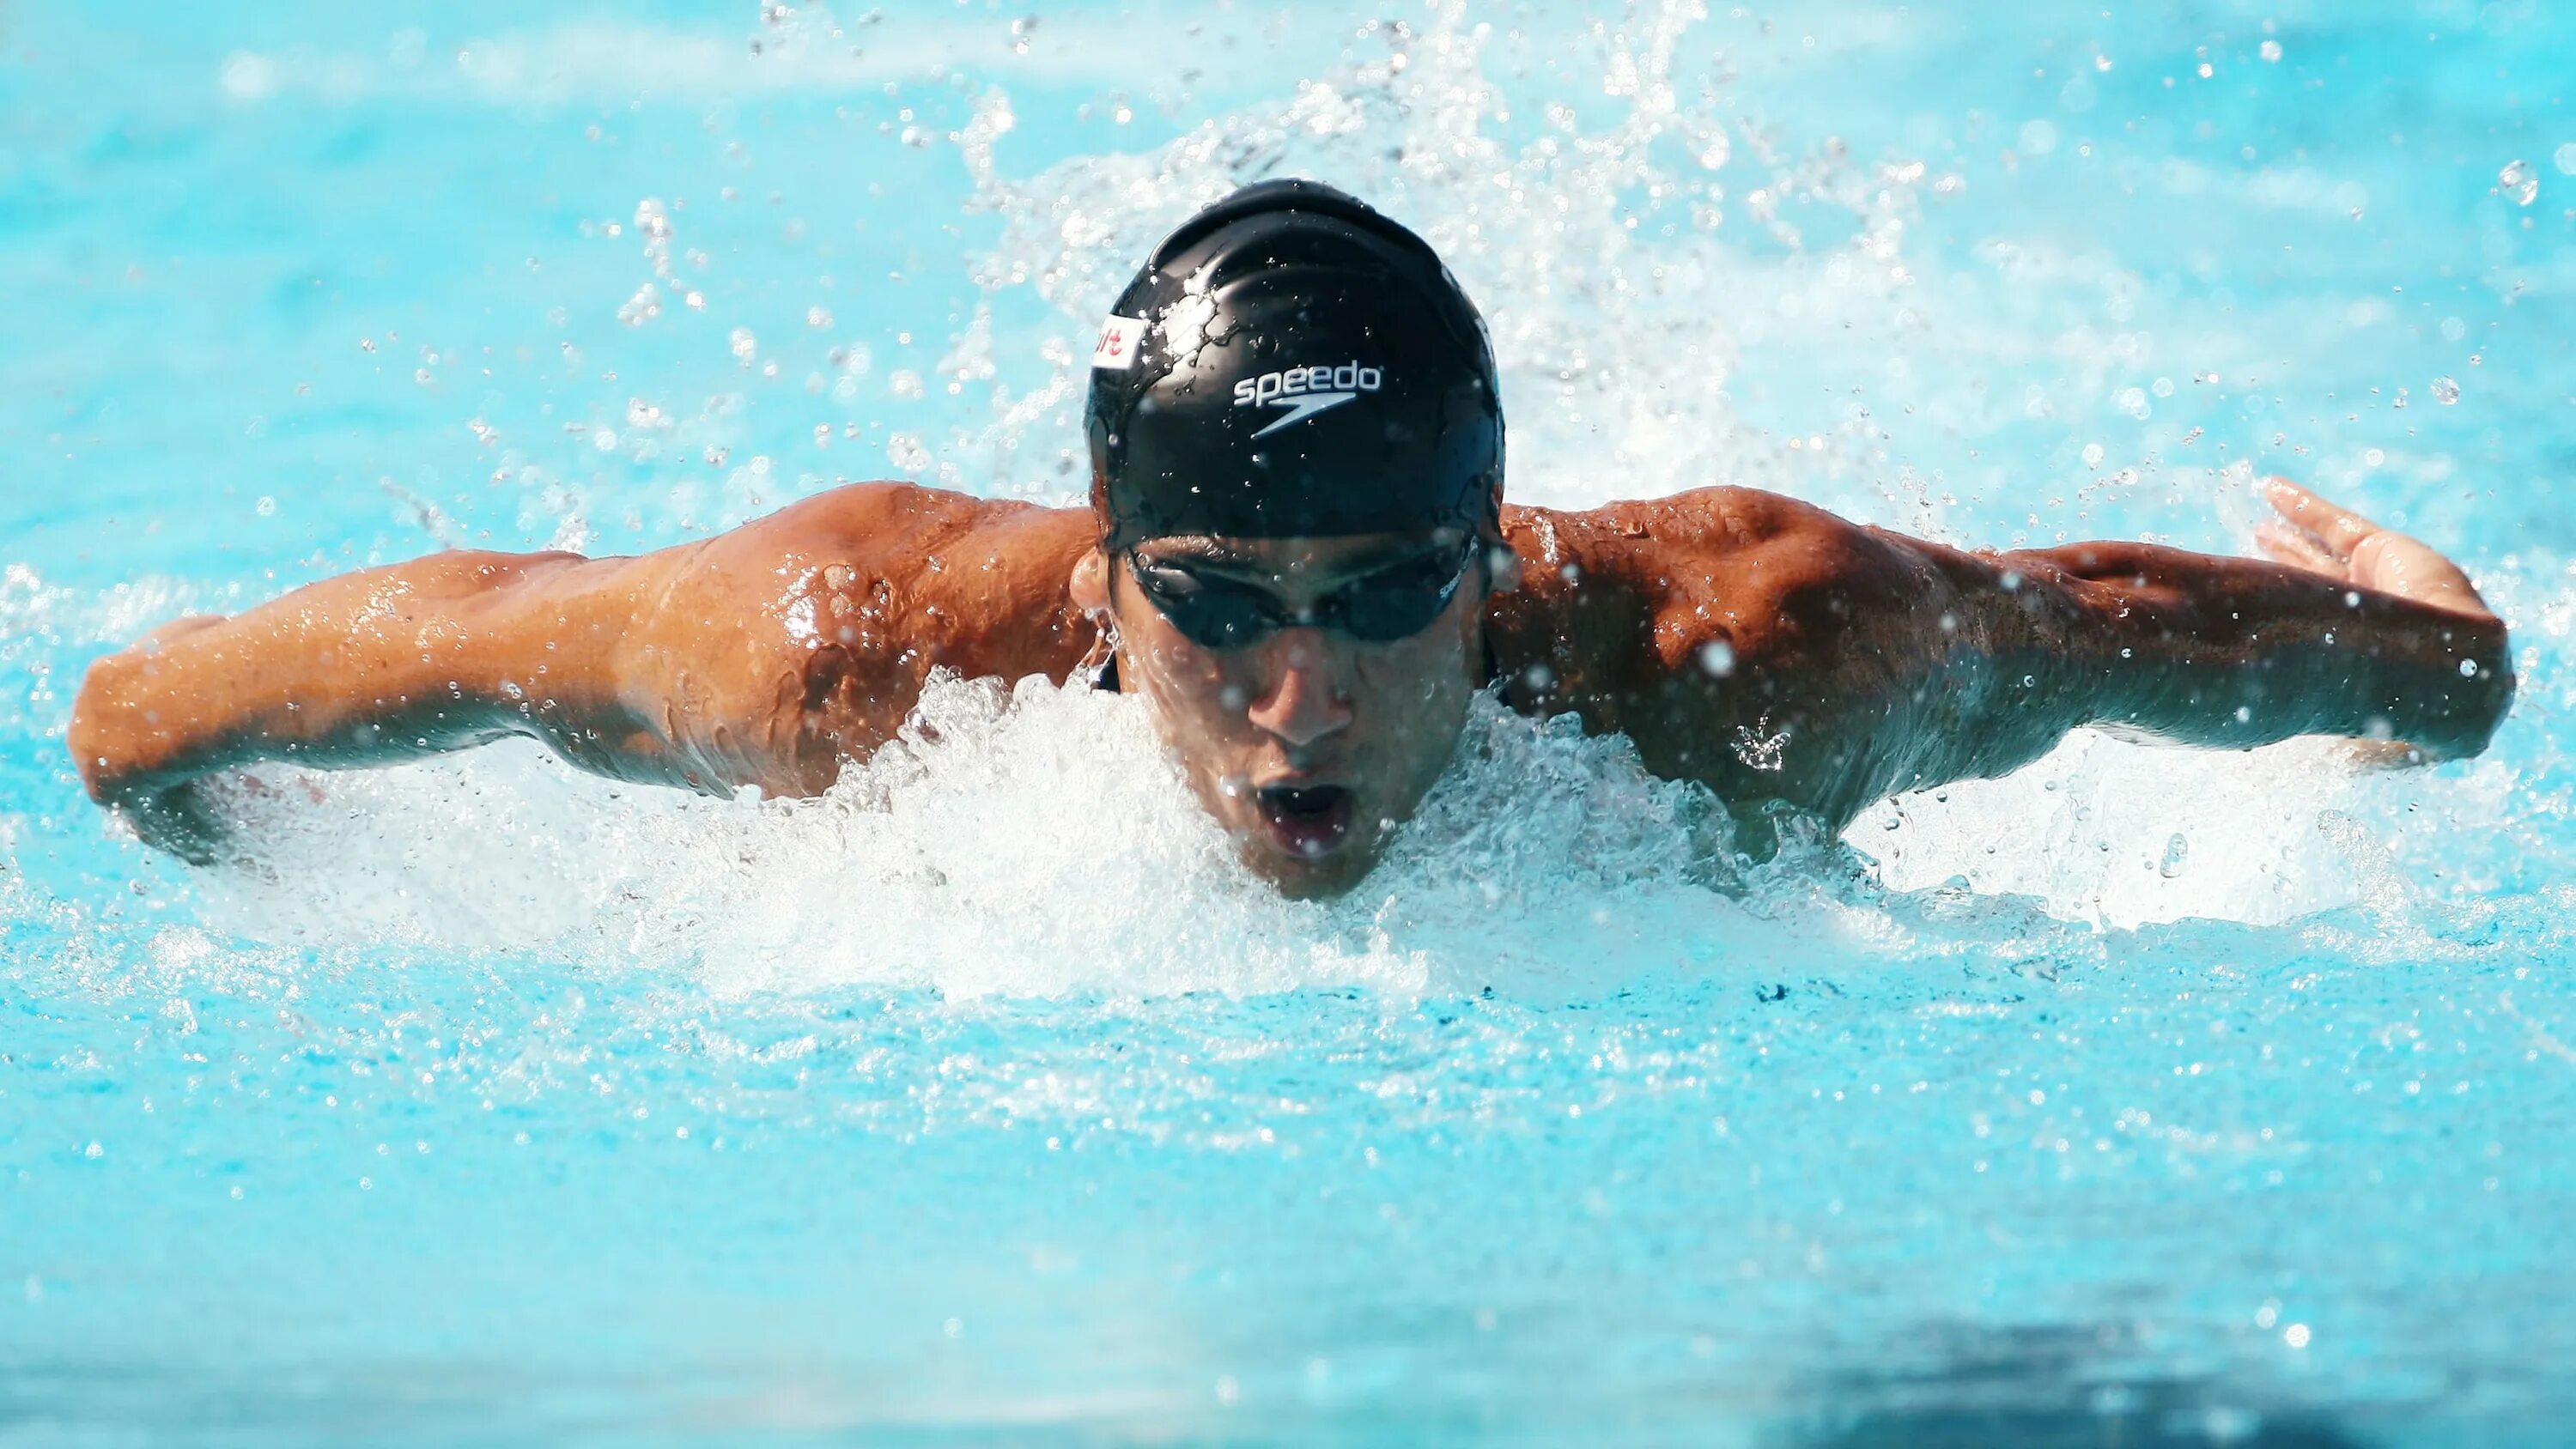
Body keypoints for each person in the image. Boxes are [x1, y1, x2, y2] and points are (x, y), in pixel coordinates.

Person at [68, 180, 2514, 897]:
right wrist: (169, 765)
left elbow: (2102, 632)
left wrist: (2435, 643)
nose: (1299, 701)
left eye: (1382, 601)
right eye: (1214, 613)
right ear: (1108, 580)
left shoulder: (1762, 659)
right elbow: (433, 644)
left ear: (1493, 549)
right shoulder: (853, 657)